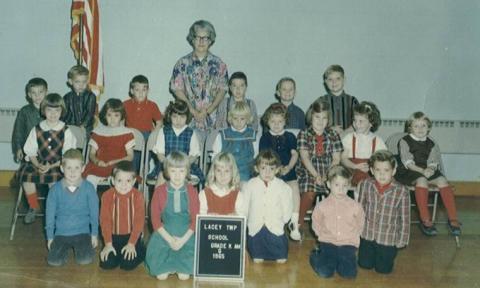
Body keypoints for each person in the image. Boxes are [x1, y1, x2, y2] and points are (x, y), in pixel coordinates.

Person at [395, 111, 461, 236]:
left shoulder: (431, 143)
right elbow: (407, 162)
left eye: (423, 126)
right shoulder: (404, 141)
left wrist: (430, 168)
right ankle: (425, 219)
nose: (420, 129)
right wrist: (422, 171)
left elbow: (433, 160)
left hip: (426, 169)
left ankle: (453, 218)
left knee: (442, 181)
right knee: (422, 180)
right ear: (410, 128)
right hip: (410, 170)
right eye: (416, 126)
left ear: (429, 127)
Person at [18, 93, 77, 224]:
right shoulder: (37, 129)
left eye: (57, 110)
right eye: (49, 110)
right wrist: (37, 164)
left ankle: (53, 209)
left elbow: (68, 156)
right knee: (26, 177)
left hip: (57, 164)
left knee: (54, 183)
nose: (53, 114)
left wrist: (51, 166)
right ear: (43, 110)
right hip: (37, 162)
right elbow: (30, 151)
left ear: (62, 111)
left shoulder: (65, 131)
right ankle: (33, 206)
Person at [170, 20, 229, 139]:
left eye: (205, 38)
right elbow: (177, 89)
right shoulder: (182, 64)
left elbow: (222, 90)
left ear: (211, 40)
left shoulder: (219, 64)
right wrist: (193, 112)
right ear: (192, 39)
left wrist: (207, 111)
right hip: (188, 119)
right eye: (198, 37)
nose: (201, 41)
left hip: (214, 120)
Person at [145, 151, 199, 281]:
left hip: (187, 236)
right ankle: (166, 263)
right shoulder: (159, 191)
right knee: (161, 276)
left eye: (181, 171)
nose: (177, 176)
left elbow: (195, 221)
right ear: (167, 172)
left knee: (184, 276)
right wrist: (170, 240)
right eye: (173, 171)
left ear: (187, 172)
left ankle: (180, 263)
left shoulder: (192, 191)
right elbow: (155, 221)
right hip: (164, 235)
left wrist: (181, 241)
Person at [358, 150, 410, 274]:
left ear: (393, 171)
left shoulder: (402, 191)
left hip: (387, 238)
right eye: (378, 170)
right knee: (364, 265)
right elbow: (359, 209)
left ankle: (385, 258)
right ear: (371, 170)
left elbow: (405, 219)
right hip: (367, 235)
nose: (382, 174)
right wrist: (356, 229)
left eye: (386, 170)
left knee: (383, 270)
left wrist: (402, 239)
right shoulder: (366, 184)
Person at [45, 148, 99, 266]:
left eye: (76, 168)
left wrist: (94, 234)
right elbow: (49, 215)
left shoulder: (89, 188)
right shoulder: (55, 190)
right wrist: (50, 237)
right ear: (62, 168)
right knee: (53, 261)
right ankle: (62, 252)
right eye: (69, 168)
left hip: (82, 232)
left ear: (83, 168)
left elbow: (94, 213)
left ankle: (82, 249)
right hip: (61, 233)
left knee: (85, 260)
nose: (72, 172)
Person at [310, 165, 365, 279]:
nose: (341, 189)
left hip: (348, 243)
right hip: (328, 242)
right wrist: (321, 235)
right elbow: (316, 221)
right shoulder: (322, 206)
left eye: (344, 185)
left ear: (349, 186)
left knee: (349, 274)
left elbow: (360, 222)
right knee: (325, 273)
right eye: (337, 185)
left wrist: (355, 235)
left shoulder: (355, 206)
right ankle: (315, 256)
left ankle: (341, 261)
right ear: (329, 185)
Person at [296, 100, 343, 228]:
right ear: (311, 117)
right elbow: (305, 158)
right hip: (308, 170)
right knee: (310, 192)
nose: (320, 121)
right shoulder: (304, 134)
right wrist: (316, 175)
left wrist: (327, 175)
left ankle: (331, 225)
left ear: (328, 120)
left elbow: (336, 159)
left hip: (329, 170)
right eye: (317, 117)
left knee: (335, 192)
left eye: (324, 118)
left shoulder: (333, 134)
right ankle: (297, 222)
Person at [259, 103, 301, 240]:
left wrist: (288, 167)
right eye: (273, 121)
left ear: (285, 121)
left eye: (280, 121)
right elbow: (263, 158)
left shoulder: (290, 137)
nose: (276, 125)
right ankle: (269, 221)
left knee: (294, 187)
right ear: (267, 121)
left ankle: (294, 222)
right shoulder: (265, 137)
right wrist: (275, 170)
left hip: (287, 170)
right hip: (270, 172)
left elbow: (295, 154)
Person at [243, 150, 292, 263]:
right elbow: (245, 204)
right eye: (263, 168)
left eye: (272, 169)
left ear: (277, 169)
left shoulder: (282, 186)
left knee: (281, 257)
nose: (267, 172)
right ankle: (257, 253)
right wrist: (245, 218)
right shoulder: (250, 184)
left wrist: (284, 219)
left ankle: (278, 253)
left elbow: (287, 204)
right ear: (257, 168)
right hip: (256, 225)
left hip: (275, 225)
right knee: (257, 254)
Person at [99, 161, 145, 270]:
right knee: (107, 264)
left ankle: (141, 249)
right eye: (119, 180)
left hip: (132, 235)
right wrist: (108, 244)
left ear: (134, 181)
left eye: (128, 181)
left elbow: (139, 222)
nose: (124, 185)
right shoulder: (107, 196)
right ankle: (118, 253)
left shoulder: (138, 196)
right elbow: (105, 221)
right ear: (112, 180)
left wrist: (132, 243)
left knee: (127, 265)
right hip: (113, 237)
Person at [82, 98, 135, 189]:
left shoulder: (127, 133)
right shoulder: (98, 132)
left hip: (118, 167)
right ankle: (90, 202)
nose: (112, 119)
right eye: (109, 115)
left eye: (116, 115)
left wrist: (114, 162)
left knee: (118, 181)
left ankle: (115, 202)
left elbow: (130, 156)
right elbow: (91, 153)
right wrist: (97, 161)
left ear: (122, 116)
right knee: (89, 179)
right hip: (99, 166)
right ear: (104, 116)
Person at [150, 100, 204, 185]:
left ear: (187, 117)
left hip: (185, 167)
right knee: (161, 177)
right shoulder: (163, 131)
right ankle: (157, 198)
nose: (178, 120)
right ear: (169, 116)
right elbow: (160, 154)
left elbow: (194, 155)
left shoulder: (191, 133)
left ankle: (183, 197)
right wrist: (168, 165)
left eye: (182, 117)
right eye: (175, 117)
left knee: (184, 179)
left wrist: (183, 166)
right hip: (166, 166)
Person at [341, 101, 387, 186]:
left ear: (371, 123)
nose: (356, 124)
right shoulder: (349, 138)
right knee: (362, 181)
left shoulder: (378, 141)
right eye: (355, 120)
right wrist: (355, 166)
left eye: (361, 121)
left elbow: (383, 161)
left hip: (371, 171)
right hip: (352, 170)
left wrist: (372, 168)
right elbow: (343, 159)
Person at [124, 74, 163, 171]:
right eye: (137, 90)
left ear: (148, 90)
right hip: (130, 137)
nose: (141, 93)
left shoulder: (152, 105)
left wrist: (153, 135)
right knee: (131, 163)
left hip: (146, 137)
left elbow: (159, 121)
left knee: (144, 164)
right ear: (131, 91)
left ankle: (143, 178)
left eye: (144, 90)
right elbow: (120, 121)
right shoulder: (125, 104)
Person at [212, 101, 257, 182]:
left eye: (242, 119)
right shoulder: (222, 135)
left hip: (246, 172)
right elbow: (215, 156)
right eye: (235, 118)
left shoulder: (252, 135)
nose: (238, 122)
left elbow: (256, 156)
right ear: (230, 118)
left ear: (247, 119)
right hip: (226, 172)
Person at [12, 77, 48, 163]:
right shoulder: (24, 111)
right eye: (33, 93)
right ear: (29, 94)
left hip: (47, 152)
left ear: (46, 92)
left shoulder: (52, 110)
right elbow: (18, 132)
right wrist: (18, 148)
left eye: (40, 92)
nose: (37, 95)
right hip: (28, 151)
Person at [316, 65, 359, 134]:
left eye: (338, 78)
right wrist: (329, 129)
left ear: (344, 79)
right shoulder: (321, 101)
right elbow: (312, 123)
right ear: (325, 82)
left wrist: (345, 133)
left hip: (349, 139)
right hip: (327, 140)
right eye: (330, 79)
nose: (334, 82)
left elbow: (360, 122)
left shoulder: (352, 101)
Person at [62, 65, 97, 136]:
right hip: (70, 127)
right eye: (77, 82)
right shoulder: (67, 97)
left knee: (84, 143)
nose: (81, 85)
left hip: (86, 128)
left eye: (84, 82)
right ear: (70, 81)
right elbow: (64, 114)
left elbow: (89, 113)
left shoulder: (90, 96)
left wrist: (83, 126)